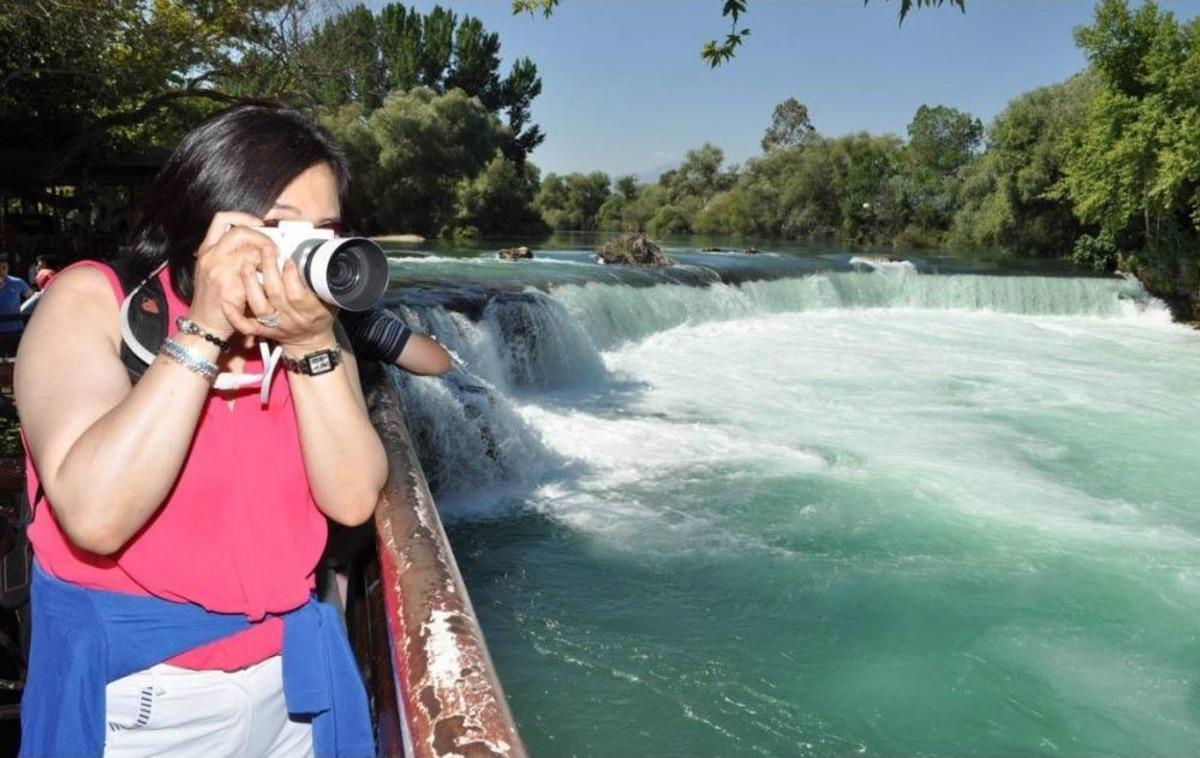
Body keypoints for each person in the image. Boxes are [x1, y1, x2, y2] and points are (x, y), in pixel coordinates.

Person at [14, 104, 388, 757]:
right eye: (279, 229)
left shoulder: (313, 336)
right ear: (205, 218)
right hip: (142, 691)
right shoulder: (93, 302)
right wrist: (205, 330)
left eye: (325, 231)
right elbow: (95, 516)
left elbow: (352, 498)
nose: (306, 256)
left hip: (287, 686)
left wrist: (310, 344)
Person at [0, 256, 34, 358]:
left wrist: (24, 309)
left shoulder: (17, 282)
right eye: (0, 268)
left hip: (16, 330)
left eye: (4, 268)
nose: (2, 271)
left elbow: (32, 298)